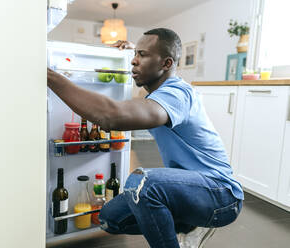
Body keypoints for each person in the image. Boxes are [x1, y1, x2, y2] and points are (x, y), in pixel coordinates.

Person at [47, 28, 244, 248]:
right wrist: (141, 53)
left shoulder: (178, 94)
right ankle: (190, 226)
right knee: (109, 217)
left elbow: (112, 117)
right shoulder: (159, 92)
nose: (133, 61)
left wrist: (51, 76)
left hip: (221, 195)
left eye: (142, 55)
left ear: (166, 64)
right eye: (135, 55)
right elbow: (151, 77)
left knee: (142, 182)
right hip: (191, 189)